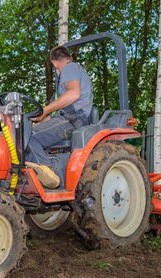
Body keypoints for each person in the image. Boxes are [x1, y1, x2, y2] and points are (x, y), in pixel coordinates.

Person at [25, 45, 93, 189]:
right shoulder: (61, 90)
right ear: (70, 56)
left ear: (54, 63)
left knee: (28, 138)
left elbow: (74, 94)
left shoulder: (70, 67)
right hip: (66, 118)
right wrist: (34, 123)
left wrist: (44, 110)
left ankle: (50, 174)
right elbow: (54, 114)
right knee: (27, 132)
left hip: (72, 120)